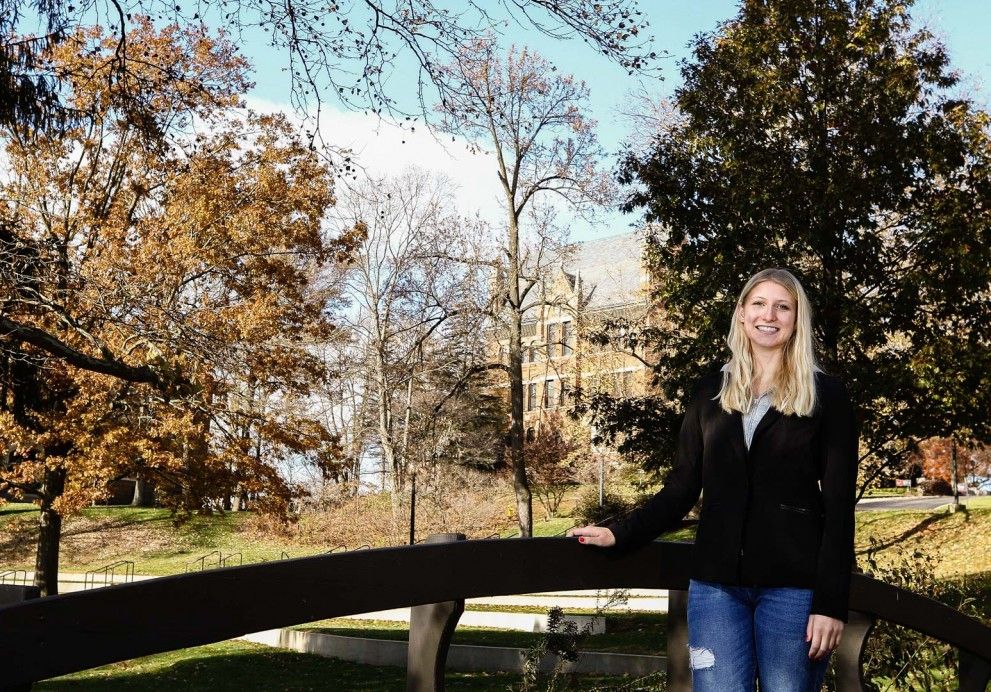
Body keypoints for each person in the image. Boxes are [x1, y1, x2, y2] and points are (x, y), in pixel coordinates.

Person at [568, 268, 858, 692]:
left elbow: (839, 507)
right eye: (758, 304)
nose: (769, 315)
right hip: (715, 589)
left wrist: (831, 604)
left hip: (794, 590)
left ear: (797, 319)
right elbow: (682, 487)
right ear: (741, 313)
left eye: (783, 306)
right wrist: (619, 532)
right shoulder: (710, 392)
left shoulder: (827, 396)